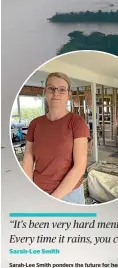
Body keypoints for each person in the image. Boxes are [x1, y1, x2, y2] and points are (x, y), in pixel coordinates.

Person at [22, 72, 90, 204]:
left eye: (62, 89)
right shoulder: (35, 124)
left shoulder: (77, 122)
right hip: (38, 190)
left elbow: (80, 167)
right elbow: (28, 161)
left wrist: (52, 200)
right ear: (45, 91)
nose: (56, 93)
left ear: (69, 94)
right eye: (51, 88)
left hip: (68, 193)